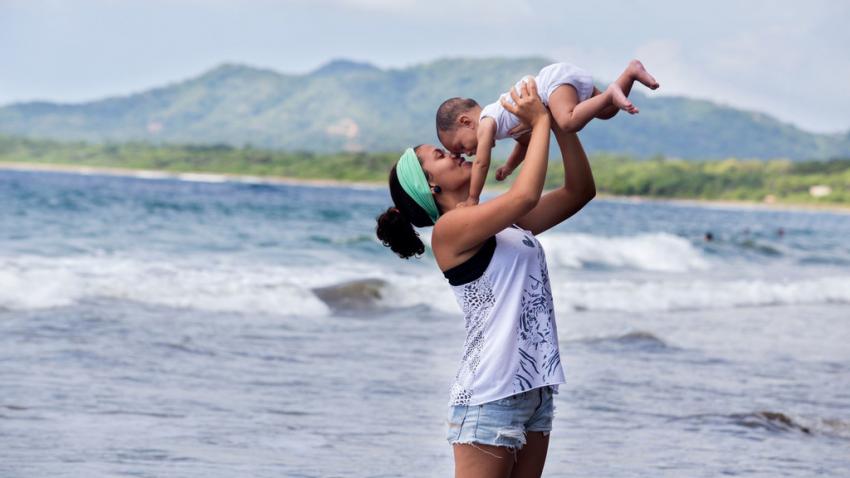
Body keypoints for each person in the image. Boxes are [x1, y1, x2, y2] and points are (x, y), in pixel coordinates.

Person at [375, 80, 596, 477]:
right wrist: (540, 122)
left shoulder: (503, 223)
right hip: (489, 394)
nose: (457, 153)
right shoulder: (450, 231)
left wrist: (562, 126)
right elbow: (525, 196)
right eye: (439, 155)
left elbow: (580, 191)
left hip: (534, 388)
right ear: (431, 185)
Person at [436, 60, 658, 207]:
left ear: (466, 122)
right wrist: (510, 167)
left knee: (568, 122)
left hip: (551, 84)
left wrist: (473, 197)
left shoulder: (486, 122)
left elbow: (482, 163)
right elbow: (525, 143)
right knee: (608, 112)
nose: (468, 154)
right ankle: (630, 73)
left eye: (462, 147)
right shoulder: (506, 121)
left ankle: (610, 93)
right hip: (558, 84)